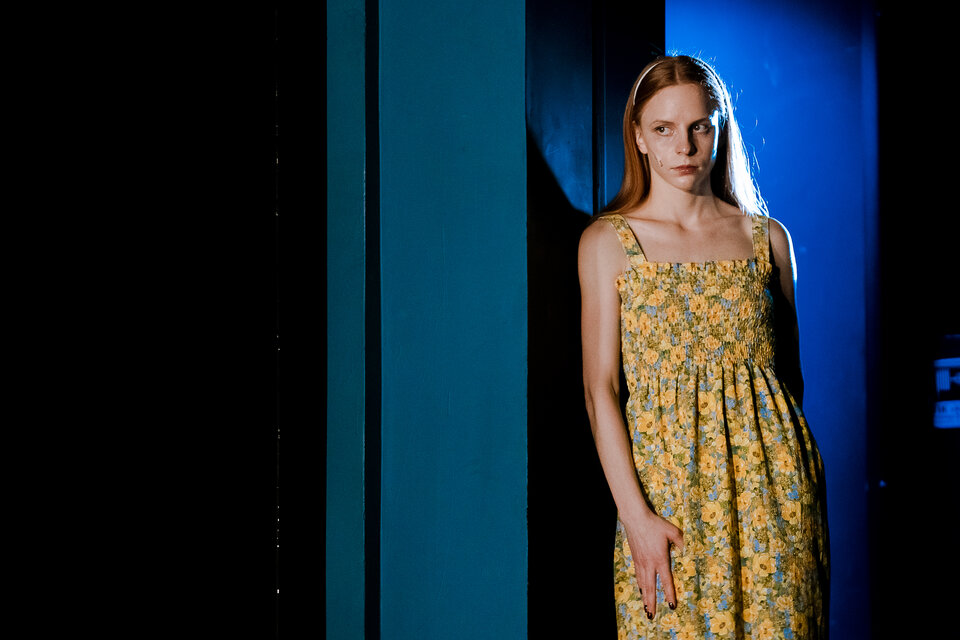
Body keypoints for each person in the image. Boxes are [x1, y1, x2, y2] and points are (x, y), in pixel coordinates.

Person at [578, 55, 829, 639]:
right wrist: (636, 518)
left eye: (699, 127)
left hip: (776, 496)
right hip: (667, 501)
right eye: (664, 128)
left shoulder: (767, 239)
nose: (684, 146)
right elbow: (599, 390)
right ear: (639, 137)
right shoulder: (609, 242)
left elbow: (789, 383)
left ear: (720, 130)